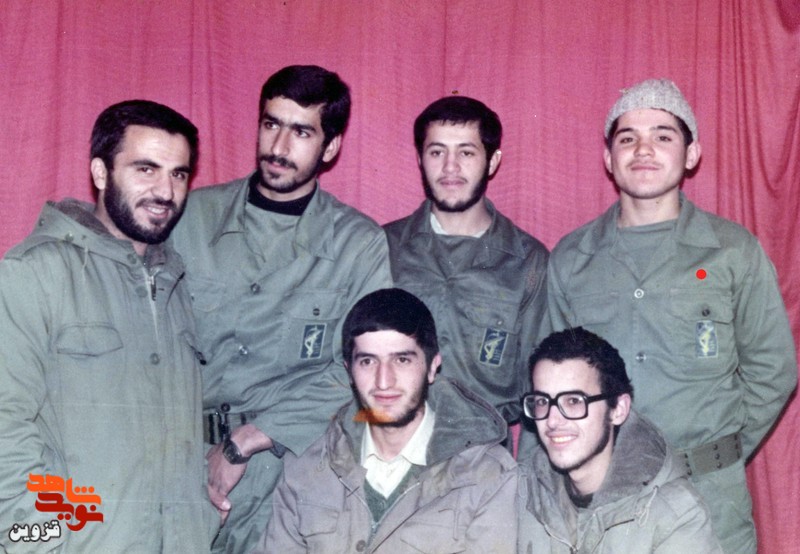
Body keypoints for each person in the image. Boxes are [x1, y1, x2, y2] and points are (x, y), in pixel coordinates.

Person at [545, 78, 797, 553]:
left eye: (663, 136)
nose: (643, 150)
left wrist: (719, 451)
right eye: (627, 138)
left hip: (710, 499)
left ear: (691, 153)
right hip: (604, 503)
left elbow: (773, 370)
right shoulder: (572, 259)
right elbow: (551, 385)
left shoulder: (732, 252)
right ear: (608, 158)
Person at [170, 65, 392, 553]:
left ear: (330, 147)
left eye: (301, 132)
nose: (279, 146)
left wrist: (248, 439)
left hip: (288, 472)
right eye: (271, 124)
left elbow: (362, 368)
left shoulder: (357, 244)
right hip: (179, 461)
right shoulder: (190, 217)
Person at [0, 100, 216, 552]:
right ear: (100, 173)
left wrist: (202, 514)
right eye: (146, 169)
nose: (165, 191)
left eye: (178, 174)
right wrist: (33, 543)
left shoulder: (175, 281)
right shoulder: (34, 273)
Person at [257, 288, 517, 553]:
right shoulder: (307, 468)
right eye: (368, 362)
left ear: (432, 367)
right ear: (349, 372)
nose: (384, 381)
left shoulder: (487, 476)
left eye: (402, 360)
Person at [384, 96, 548, 427]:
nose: (450, 167)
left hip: (484, 449)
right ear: (420, 159)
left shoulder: (528, 262)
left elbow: (540, 390)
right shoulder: (383, 248)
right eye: (436, 152)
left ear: (492, 161)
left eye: (466, 153)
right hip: (391, 442)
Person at [518, 327, 722, 553]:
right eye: (542, 402)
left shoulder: (676, 516)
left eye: (574, 401)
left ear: (618, 410)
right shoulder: (520, 493)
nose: (553, 420)